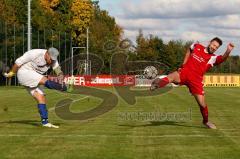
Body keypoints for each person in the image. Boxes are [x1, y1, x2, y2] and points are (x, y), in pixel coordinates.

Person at [150, 37, 235, 129]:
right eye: (214, 45)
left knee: (202, 104)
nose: (214, 48)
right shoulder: (197, 46)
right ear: (210, 43)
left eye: (216, 47)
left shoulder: (212, 58)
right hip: (184, 73)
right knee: (171, 77)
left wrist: (228, 51)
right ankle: (156, 85)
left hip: (196, 81)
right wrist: (183, 65)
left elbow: (222, 58)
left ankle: (206, 121)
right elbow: (189, 50)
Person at [4, 48, 68, 128]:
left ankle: (45, 122)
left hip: (34, 76)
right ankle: (63, 88)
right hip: (24, 72)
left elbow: (58, 70)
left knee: (41, 97)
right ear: (47, 54)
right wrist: (12, 72)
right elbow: (18, 63)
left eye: (53, 59)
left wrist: (61, 79)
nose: (51, 61)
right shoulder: (34, 53)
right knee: (45, 80)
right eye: (51, 59)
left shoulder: (53, 60)